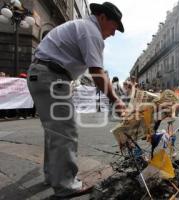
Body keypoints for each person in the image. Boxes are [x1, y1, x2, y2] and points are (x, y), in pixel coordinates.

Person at [27, 2, 125, 198]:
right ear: (103, 18)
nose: (113, 34)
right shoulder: (91, 31)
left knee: (55, 131)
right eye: (114, 28)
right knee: (65, 132)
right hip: (51, 77)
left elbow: (98, 71)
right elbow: (97, 72)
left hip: (44, 75)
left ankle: (54, 176)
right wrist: (116, 100)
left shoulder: (83, 27)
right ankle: (66, 185)